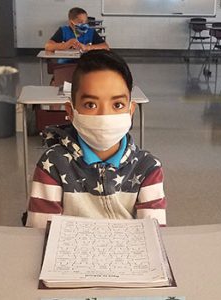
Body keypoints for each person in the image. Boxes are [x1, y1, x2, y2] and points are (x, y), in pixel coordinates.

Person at [25, 50, 167, 228]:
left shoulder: (147, 168)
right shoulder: (53, 164)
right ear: (71, 112)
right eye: (90, 105)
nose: (104, 115)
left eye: (118, 105)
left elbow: (153, 237)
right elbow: (40, 236)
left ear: (131, 111)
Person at [45, 7, 109, 59]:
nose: (84, 25)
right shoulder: (63, 31)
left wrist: (87, 47)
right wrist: (66, 45)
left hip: (85, 63)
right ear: (71, 22)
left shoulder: (90, 31)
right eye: (80, 22)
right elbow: (48, 46)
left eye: (86, 22)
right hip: (67, 63)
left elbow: (105, 46)